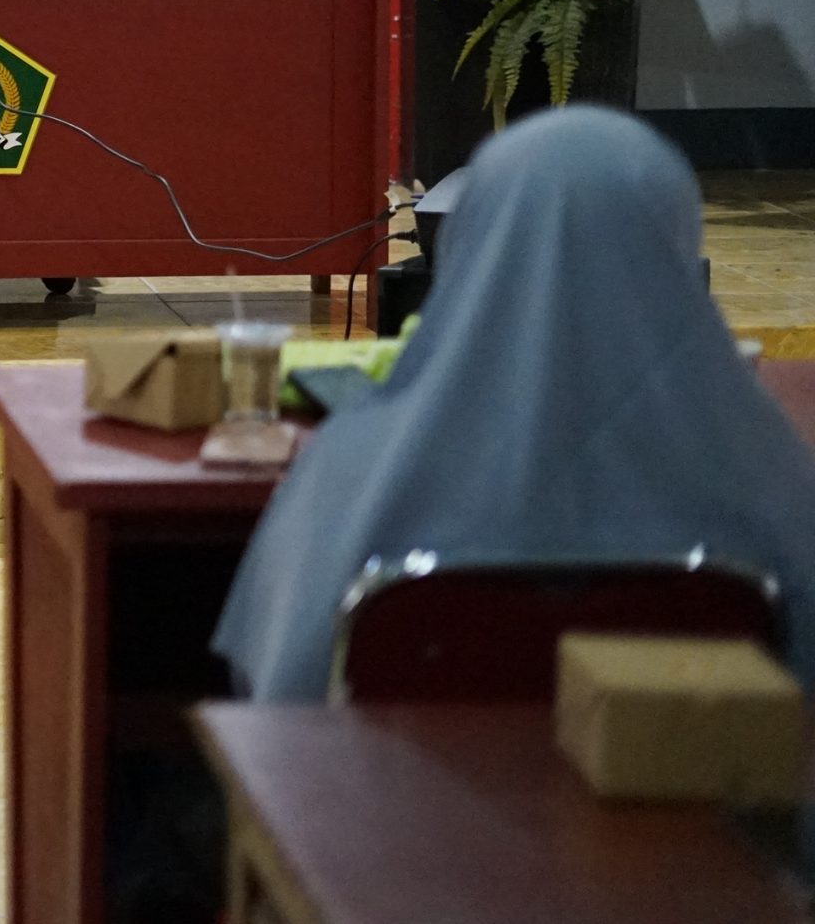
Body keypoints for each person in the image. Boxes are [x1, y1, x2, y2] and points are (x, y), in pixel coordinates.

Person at [215, 106, 815, 701]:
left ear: (468, 240)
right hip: (684, 766)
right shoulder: (772, 480)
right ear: (678, 248)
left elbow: (281, 689)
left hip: (406, 767)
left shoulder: (352, 470)